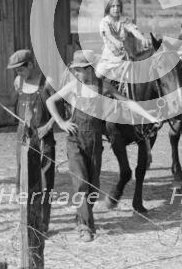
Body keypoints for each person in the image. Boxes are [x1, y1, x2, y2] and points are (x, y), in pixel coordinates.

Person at [46, 50, 160, 242]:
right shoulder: (75, 86)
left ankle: (81, 218)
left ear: (90, 69)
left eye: (80, 70)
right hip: (75, 140)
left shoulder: (103, 87)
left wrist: (150, 117)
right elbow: (51, 101)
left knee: (93, 186)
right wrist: (62, 122)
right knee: (81, 182)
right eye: (76, 70)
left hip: (95, 142)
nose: (77, 73)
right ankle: (85, 227)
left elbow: (128, 102)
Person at [0, 49, 57, 233]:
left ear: (30, 65)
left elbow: (59, 112)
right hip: (23, 136)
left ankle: (43, 223)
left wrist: (47, 127)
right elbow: (9, 100)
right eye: (16, 71)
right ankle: (27, 218)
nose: (18, 73)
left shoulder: (48, 82)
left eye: (20, 69)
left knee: (45, 181)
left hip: (43, 138)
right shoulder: (19, 82)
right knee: (23, 177)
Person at [95, 0, 150, 85]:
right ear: (108, 7)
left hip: (124, 59)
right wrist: (116, 42)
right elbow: (108, 35)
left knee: (133, 79)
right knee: (97, 77)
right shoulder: (104, 22)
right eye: (113, 6)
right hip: (109, 59)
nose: (116, 9)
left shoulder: (124, 20)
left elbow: (133, 30)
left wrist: (143, 38)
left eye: (118, 6)